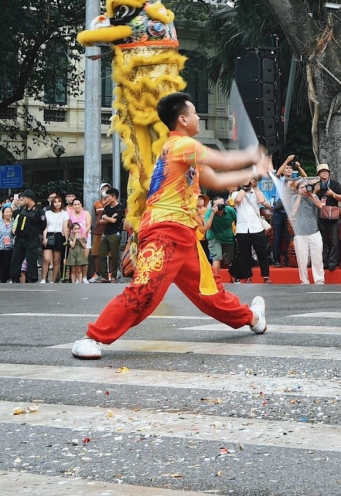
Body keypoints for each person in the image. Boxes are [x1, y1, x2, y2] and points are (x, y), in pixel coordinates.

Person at [70, 92, 272, 360]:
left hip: (184, 234)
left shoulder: (187, 152)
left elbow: (217, 179)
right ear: (182, 119)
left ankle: (253, 317)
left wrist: (254, 171)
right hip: (163, 231)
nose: (199, 117)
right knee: (145, 290)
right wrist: (253, 154)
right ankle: (92, 337)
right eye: (195, 113)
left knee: (209, 293)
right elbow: (223, 161)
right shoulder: (181, 145)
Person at [230, 180, 271, 284]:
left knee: (262, 253)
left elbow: (262, 201)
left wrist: (255, 187)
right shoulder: (236, 193)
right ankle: (248, 277)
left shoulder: (256, 192)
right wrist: (244, 187)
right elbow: (238, 200)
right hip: (242, 229)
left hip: (256, 227)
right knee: (244, 254)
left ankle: (266, 276)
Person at [289, 169, 326, 284]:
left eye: (306, 187)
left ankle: (319, 280)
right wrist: (300, 196)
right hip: (300, 233)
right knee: (302, 260)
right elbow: (293, 212)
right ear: (298, 189)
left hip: (314, 231)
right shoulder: (294, 198)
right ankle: (304, 281)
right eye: (302, 187)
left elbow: (320, 205)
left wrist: (310, 195)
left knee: (317, 258)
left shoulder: (313, 196)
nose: (304, 189)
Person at [313, 163, 341, 272]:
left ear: (329, 173)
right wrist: (315, 191)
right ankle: (324, 261)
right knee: (322, 240)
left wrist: (333, 195)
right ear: (318, 174)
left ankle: (332, 261)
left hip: (333, 215)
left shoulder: (335, 184)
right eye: (322, 171)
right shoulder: (316, 185)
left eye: (326, 171)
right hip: (320, 215)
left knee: (335, 239)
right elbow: (309, 199)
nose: (325, 173)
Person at [90, 189, 125, 284]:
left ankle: (113, 276)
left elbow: (115, 221)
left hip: (115, 233)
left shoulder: (119, 207)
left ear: (114, 197)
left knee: (114, 255)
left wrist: (106, 218)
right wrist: (108, 218)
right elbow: (101, 221)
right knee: (101, 254)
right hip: (105, 233)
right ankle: (104, 276)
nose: (107, 198)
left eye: (109, 196)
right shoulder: (107, 208)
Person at [10, 192, 45, 283]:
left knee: (31, 260)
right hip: (20, 239)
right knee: (16, 259)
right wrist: (14, 203)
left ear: (29, 199)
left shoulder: (38, 210)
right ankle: (15, 278)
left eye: (23, 198)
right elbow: (13, 213)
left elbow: (43, 225)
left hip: (31, 239)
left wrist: (35, 233)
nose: (21, 201)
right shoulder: (22, 209)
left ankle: (32, 279)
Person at [41, 192, 69, 283]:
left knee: (57, 260)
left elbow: (65, 227)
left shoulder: (64, 213)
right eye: (55, 202)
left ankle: (53, 280)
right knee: (46, 258)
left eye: (59, 202)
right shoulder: (47, 213)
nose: (57, 203)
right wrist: (44, 238)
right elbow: (45, 226)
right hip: (49, 234)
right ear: (52, 203)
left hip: (59, 235)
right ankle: (44, 278)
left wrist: (67, 238)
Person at [204, 195, 236, 269]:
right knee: (217, 257)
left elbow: (238, 222)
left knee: (230, 259)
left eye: (222, 204)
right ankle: (215, 280)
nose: (220, 206)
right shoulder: (209, 212)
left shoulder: (230, 210)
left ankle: (234, 277)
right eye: (217, 205)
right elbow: (206, 228)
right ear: (213, 206)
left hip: (228, 237)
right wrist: (212, 214)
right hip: (214, 237)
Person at [0, 204, 14, 282]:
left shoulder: (14, 223)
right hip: (1, 247)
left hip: (11, 247)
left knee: (8, 264)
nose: (9, 213)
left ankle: (7, 279)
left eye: (10, 212)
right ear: (3, 213)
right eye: (7, 212)